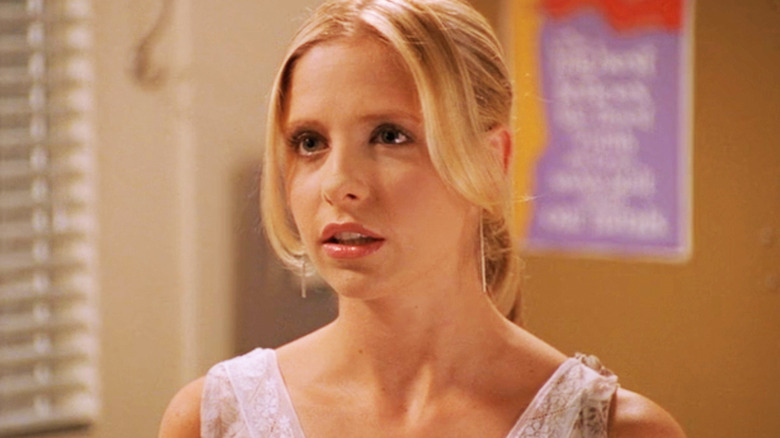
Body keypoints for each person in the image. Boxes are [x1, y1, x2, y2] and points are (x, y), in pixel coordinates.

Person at [159, 0, 686, 436]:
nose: (339, 183)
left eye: (390, 136)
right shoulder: (212, 419)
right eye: (310, 142)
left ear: (491, 161)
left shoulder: (618, 430)